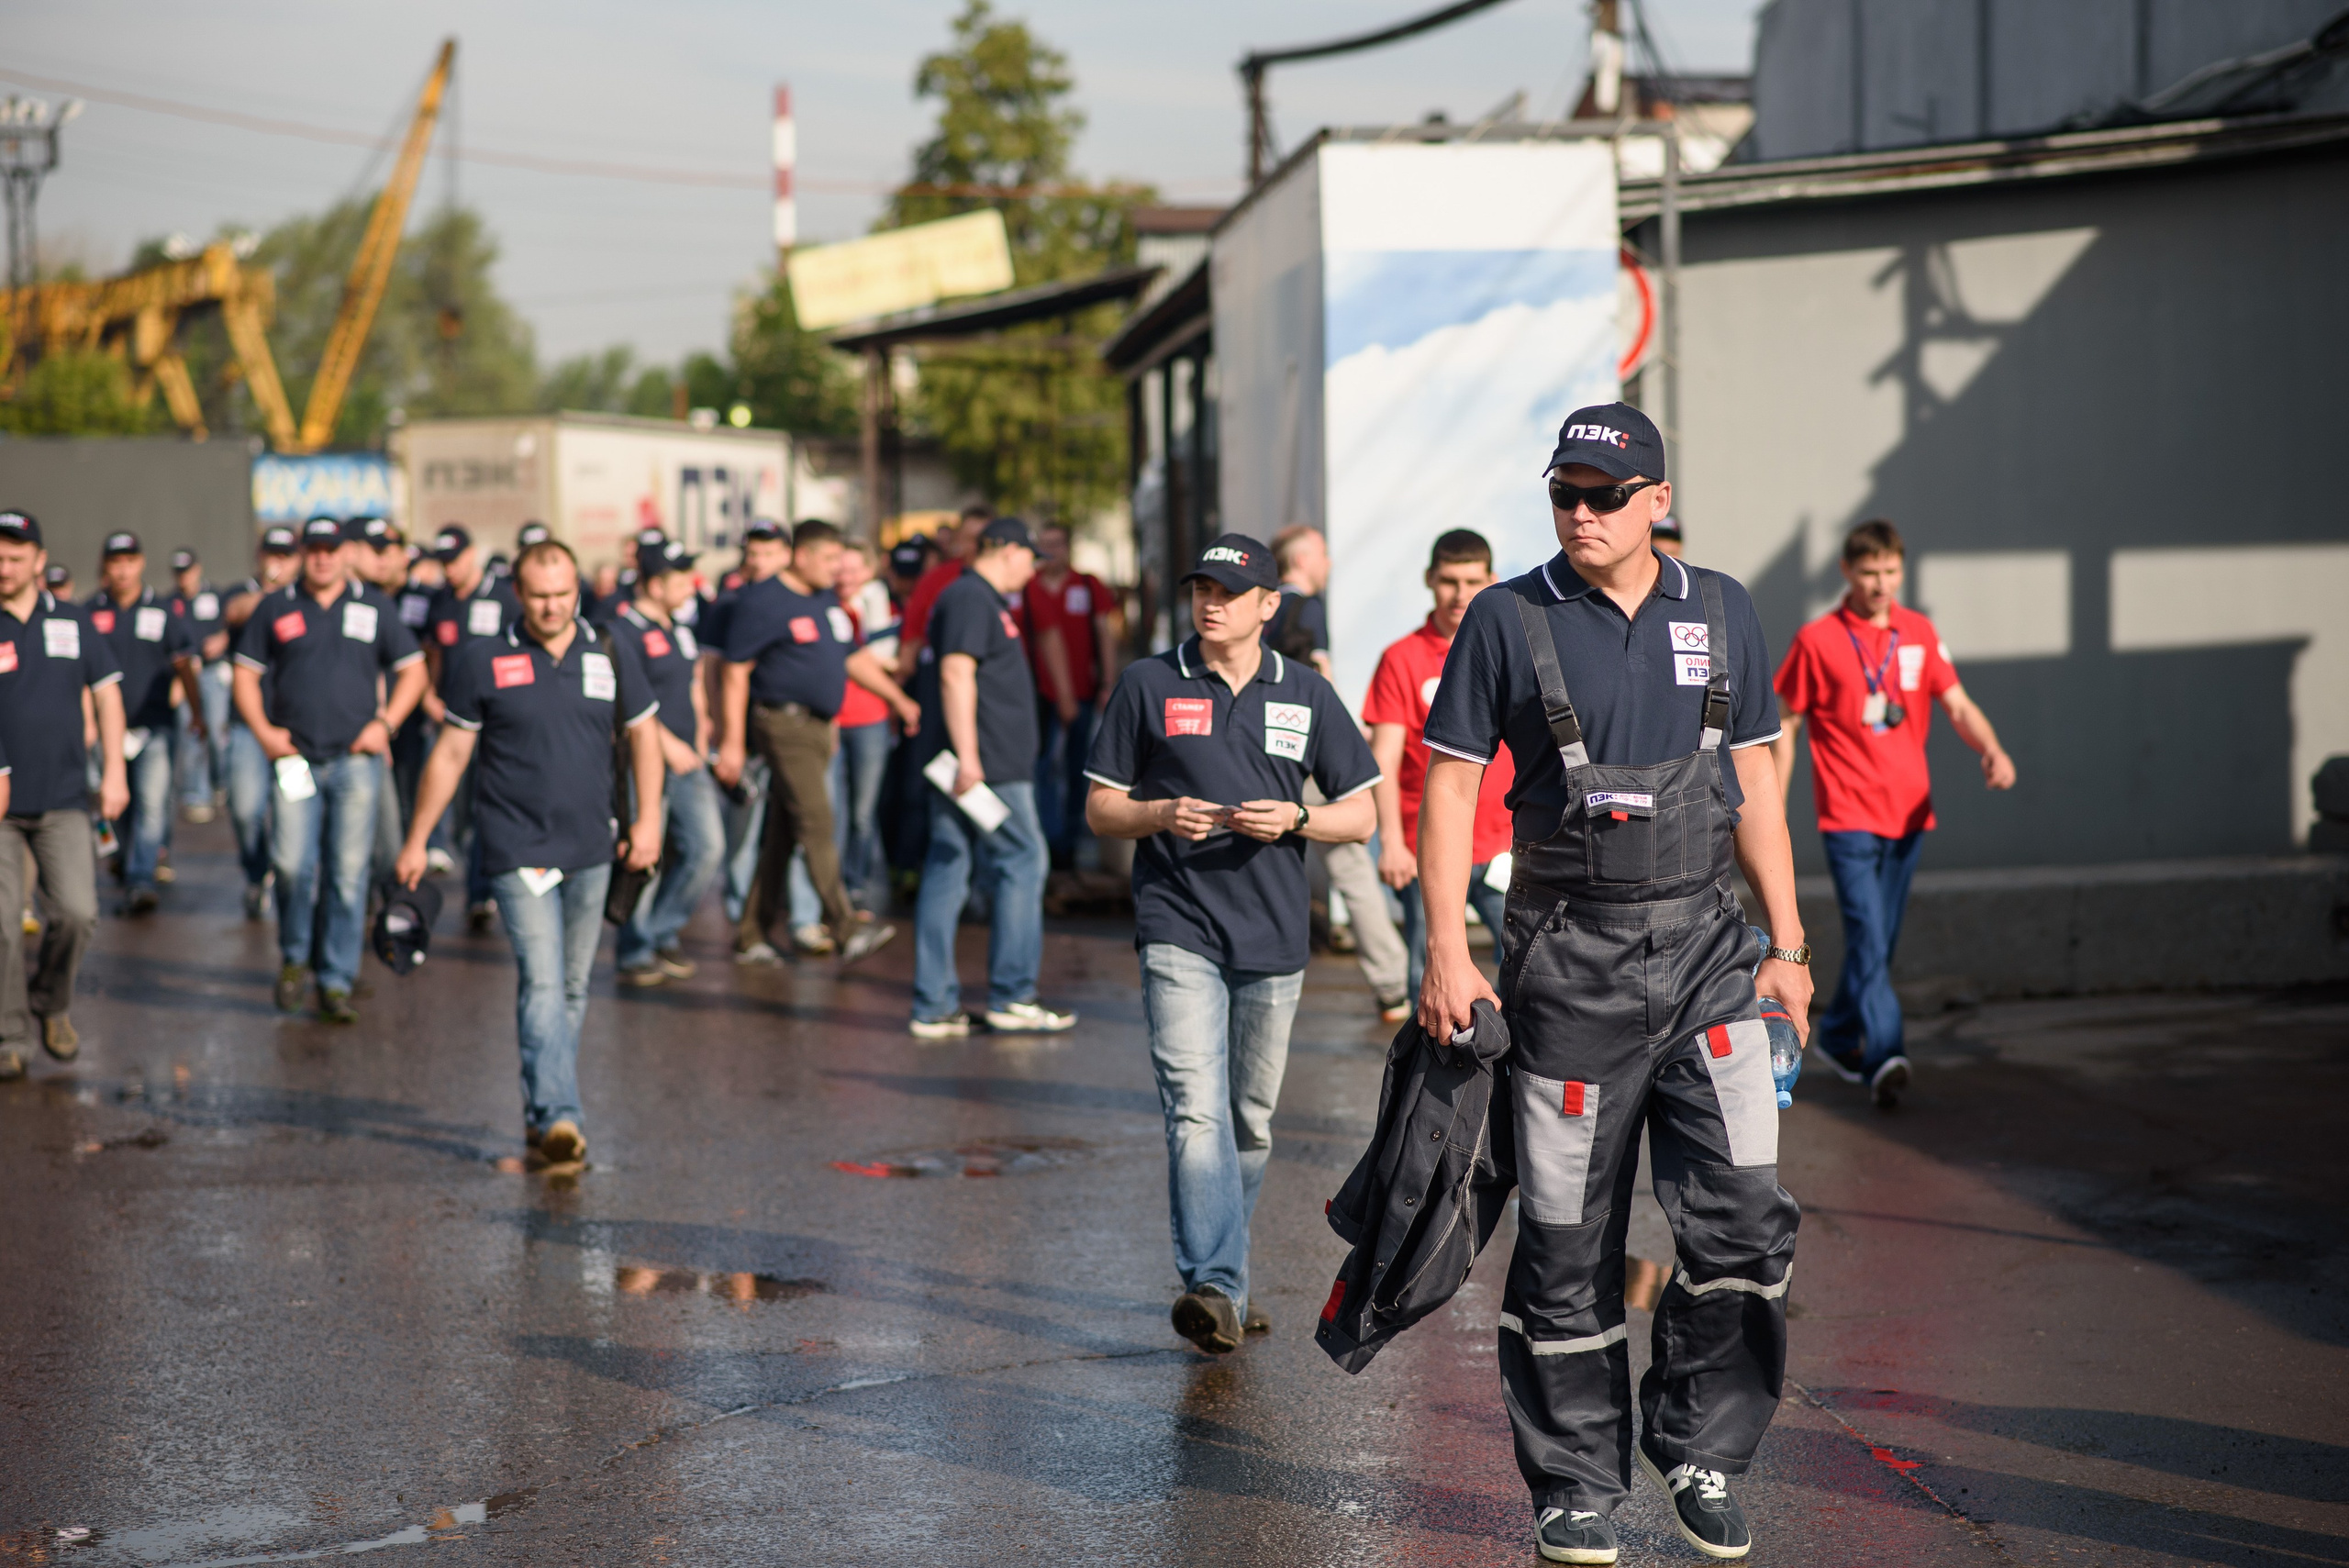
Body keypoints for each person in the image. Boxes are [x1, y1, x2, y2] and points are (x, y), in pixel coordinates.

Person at [1419, 402, 1809, 1565]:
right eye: (1563, 495)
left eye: (1602, 494)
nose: (1579, 514)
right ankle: (1575, 1480)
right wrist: (1446, 949)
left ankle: (1700, 1447)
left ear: (1657, 501)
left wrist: (1786, 947)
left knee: (1744, 1206)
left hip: (1708, 957)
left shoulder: (1724, 607)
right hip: (1564, 959)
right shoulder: (1505, 615)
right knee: (1562, 1229)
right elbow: (1446, 788)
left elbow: (1757, 786)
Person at [1084, 531, 1380, 1351]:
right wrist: (1155, 813)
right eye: (1200, 589)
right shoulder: (1150, 682)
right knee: (1196, 1110)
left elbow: (1363, 811)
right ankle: (1212, 1280)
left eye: (1228, 590)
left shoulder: (1307, 692)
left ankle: (1228, 1278)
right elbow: (1101, 805)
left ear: (1269, 605)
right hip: (1176, 922)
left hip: (1275, 933)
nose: (1210, 603)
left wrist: (1299, 818)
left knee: (1249, 1119)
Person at [396, 539, 664, 1167]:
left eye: (564, 593)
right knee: (543, 980)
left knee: (571, 987)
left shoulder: (610, 647)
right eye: (540, 595)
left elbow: (644, 734)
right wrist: (418, 838)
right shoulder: (483, 658)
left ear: (579, 589)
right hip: (517, 848)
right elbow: (452, 754)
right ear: (518, 593)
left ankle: (540, 1104)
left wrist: (648, 818)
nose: (552, 606)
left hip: (594, 848)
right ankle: (560, 1114)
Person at [1771, 517, 2015, 1108]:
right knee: (1869, 936)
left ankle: (1834, 1034)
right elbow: (1786, 721)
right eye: (1869, 572)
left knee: (1878, 944)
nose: (1881, 584)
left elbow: (1956, 704)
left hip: (1909, 816)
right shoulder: (1819, 639)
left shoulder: (1919, 633)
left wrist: (1991, 748)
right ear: (1846, 572)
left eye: (1890, 572)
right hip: (1848, 816)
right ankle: (1884, 1055)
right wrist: (1772, 805)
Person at [234, 517, 429, 1023]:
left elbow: (413, 670)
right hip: (295, 757)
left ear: (347, 553)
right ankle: (296, 957)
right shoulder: (277, 606)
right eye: (314, 549)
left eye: (331, 549)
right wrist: (263, 732)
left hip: (355, 761)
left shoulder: (374, 606)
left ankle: (337, 979)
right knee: (294, 866)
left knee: (347, 876)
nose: (322, 558)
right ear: (303, 554)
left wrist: (385, 723)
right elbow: (245, 674)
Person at [715, 519, 918, 967]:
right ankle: (844, 925)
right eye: (828, 559)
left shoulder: (825, 600)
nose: (837, 568)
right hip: (783, 725)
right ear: (801, 555)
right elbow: (734, 671)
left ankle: (751, 932)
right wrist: (731, 741)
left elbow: (853, 657)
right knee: (819, 822)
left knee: (784, 835)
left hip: (821, 729)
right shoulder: (763, 600)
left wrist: (899, 699)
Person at [907, 517, 1074, 1039]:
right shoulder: (970, 597)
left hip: (977, 762)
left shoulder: (978, 598)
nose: (1031, 571)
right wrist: (970, 758)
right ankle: (1012, 994)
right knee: (1023, 860)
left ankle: (935, 1004)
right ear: (1006, 552)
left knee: (950, 863)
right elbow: (955, 674)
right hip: (987, 767)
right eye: (1029, 559)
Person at [1364, 528, 1517, 1001]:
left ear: (1491, 579)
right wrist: (1391, 842)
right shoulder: (1401, 658)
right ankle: (1433, 1071)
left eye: (1472, 580)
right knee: (1426, 971)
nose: (1460, 594)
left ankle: (1519, 1068)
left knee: (1524, 961)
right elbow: (1384, 758)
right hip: (1425, 845)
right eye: (1449, 580)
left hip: (1504, 846)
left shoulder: (1511, 649)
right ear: (1430, 579)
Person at [0, 510, 128, 1078]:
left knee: (77, 913)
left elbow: (107, 698)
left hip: (64, 797)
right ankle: (9, 1034)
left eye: (16, 556)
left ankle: (51, 1004)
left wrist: (116, 772)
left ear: (39, 562)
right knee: (1, 922)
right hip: (0, 806)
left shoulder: (75, 623)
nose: (5, 566)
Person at [1267, 523, 1410, 1018]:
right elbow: (1320, 681)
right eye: (1323, 554)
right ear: (1303, 559)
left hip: (1263, 751)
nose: (1328, 565)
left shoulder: (1259, 609)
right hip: (1306, 750)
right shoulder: (1308, 608)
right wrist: (1348, 739)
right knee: (1350, 864)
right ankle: (1393, 984)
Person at [600, 539, 726, 987]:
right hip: (647, 762)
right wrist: (667, 743)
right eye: (680, 579)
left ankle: (661, 930)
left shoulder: (680, 627)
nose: (691, 587)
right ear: (654, 584)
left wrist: (704, 725)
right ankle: (634, 950)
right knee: (646, 856)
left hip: (689, 761)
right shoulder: (620, 631)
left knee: (706, 850)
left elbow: (691, 682)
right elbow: (626, 704)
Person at [86, 531, 202, 914]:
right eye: (115, 561)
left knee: (152, 804)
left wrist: (196, 710)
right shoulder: (90, 612)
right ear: (105, 565)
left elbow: (185, 662)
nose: (122, 569)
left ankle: (140, 879)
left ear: (141, 563)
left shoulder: (163, 610)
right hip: (106, 730)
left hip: (154, 726)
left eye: (129, 560)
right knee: (112, 803)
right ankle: (119, 854)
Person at [422, 524, 521, 930]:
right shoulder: (440, 602)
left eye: (456, 561)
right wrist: (430, 697)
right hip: (451, 719)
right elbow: (432, 654)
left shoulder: (502, 597)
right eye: (443, 563)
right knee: (459, 814)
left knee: (487, 809)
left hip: (493, 721)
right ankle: (468, 869)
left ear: (473, 554)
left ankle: (480, 894)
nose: (450, 570)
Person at [1023, 521, 1119, 870]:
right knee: (1044, 767)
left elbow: (1104, 634)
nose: (1051, 552)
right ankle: (1051, 840)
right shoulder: (1027, 586)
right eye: (1045, 544)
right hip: (1039, 695)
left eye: (1057, 544)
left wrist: (1108, 683)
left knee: (1081, 766)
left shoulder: (1087, 586)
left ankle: (1071, 841)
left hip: (1081, 691)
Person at [221, 527, 301, 917]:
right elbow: (235, 610)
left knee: (293, 811)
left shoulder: (305, 598)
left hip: (291, 726)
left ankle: (290, 880)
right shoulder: (249, 592)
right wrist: (273, 593)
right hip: (247, 725)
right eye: (272, 554)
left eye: (286, 555)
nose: (278, 562)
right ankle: (257, 873)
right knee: (244, 808)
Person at [827, 538, 899, 913]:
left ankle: (854, 884)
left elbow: (890, 658)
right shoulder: (823, 603)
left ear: (869, 572)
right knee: (831, 811)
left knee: (861, 812)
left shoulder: (877, 605)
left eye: (855, 568)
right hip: (830, 720)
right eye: (840, 567)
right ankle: (830, 889)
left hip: (870, 718)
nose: (846, 576)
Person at [169, 547, 230, 824]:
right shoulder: (170, 603)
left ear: (198, 569)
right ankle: (197, 793)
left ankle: (220, 782)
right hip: (185, 676)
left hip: (213, 672)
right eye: (179, 572)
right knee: (192, 733)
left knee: (217, 732)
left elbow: (232, 628)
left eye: (188, 571)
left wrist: (222, 641)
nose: (184, 578)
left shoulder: (215, 596)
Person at [896, 504, 990, 681]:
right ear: (959, 540)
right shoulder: (936, 580)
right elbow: (911, 641)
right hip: (947, 680)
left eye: (983, 541)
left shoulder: (1016, 584)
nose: (976, 548)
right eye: (970, 539)